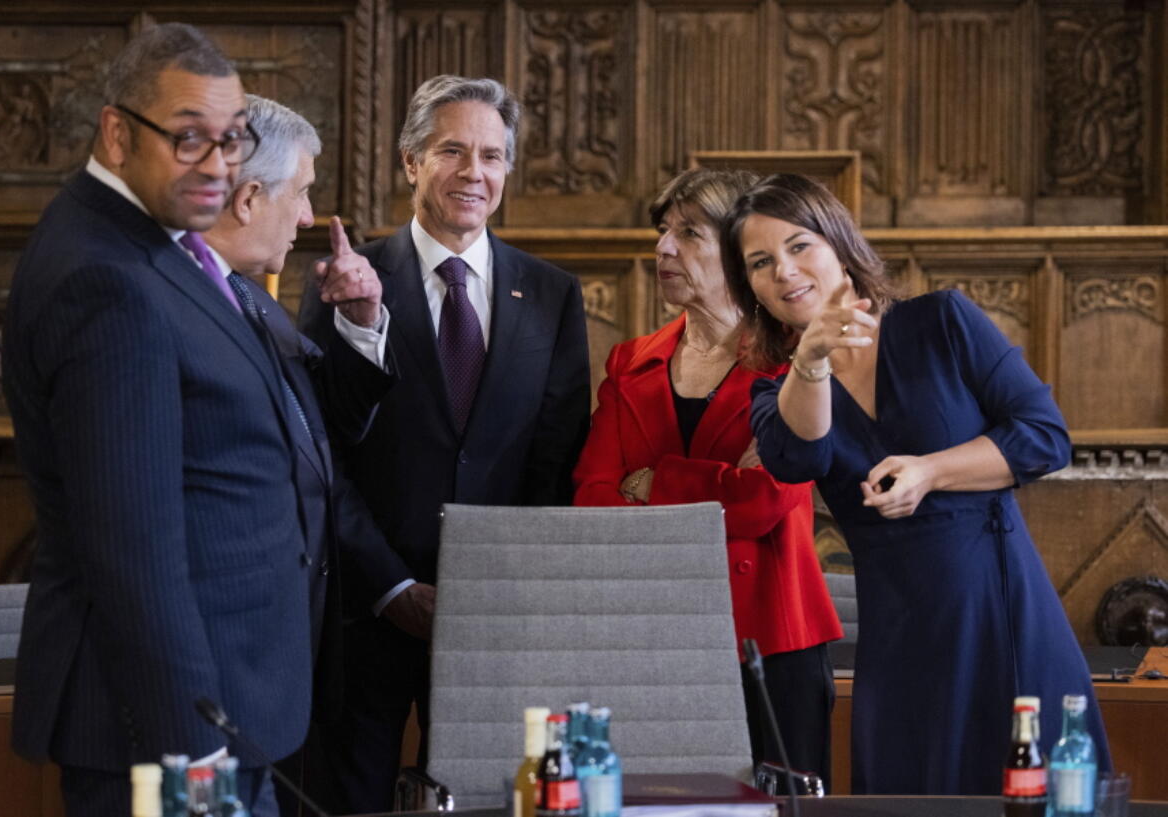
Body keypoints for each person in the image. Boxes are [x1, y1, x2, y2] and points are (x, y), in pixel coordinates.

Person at [723, 172, 1111, 795]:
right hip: (900, 631)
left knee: (1030, 791)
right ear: (752, 291)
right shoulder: (775, 391)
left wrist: (931, 471)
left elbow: (1045, 436)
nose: (784, 270)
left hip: (998, 606)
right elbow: (800, 455)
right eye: (760, 263)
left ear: (839, 244)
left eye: (799, 245)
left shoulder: (943, 322)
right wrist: (812, 356)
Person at [5, 25, 310, 816]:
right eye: (187, 139)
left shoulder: (155, 244)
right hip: (169, 733)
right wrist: (194, 749)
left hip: (219, 703)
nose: (216, 164)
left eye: (231, 138)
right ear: (116, 131)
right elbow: (130, 546)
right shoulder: (106, 277)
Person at [298, 74, 591, 813]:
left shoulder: (551, 295)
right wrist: (392, 586)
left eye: (492, 156)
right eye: (452, 150)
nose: (474, 173)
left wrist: (496, 588)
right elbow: (317, 452)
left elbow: (555, 461)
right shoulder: (346, 278)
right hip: (366, 612)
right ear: (409, 162)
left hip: (494, 619)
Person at [572, 167, 842, 788]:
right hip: (657, 632)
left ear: (737, 255)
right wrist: (715, 480)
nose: (663, 249)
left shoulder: (794, 360)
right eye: (663, 231)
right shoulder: (629, 361)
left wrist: (650, 482)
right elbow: (591, 498)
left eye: (688, 233)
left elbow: (764, 500)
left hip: (772, 640)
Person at [200, 94, 388, 815]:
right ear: (249, 198)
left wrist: (362, 321)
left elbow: (319, 434)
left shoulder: (251, 302)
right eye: (303, 192)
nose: (309, 217)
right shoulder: (181, 300)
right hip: (214, 685)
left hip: (269, 680)